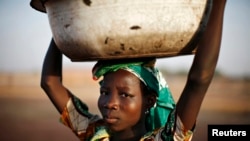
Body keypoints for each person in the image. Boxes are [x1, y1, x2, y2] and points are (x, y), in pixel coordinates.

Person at [40, 0, 226, 140]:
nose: (109, 103)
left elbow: (198, 79)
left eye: (125, 95)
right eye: (104, 92)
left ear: (149, 100)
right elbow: (50, 83)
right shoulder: (97, 134)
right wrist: (62, 20)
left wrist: (218, 3)